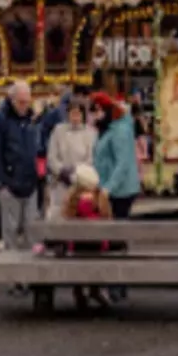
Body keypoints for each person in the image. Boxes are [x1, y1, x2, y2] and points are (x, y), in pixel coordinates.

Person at [0, 81, 40, 263]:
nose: (24, 106)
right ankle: (13, 275)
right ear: (12, 100)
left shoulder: (30, 120)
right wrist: (1, 182)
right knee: (10, 230)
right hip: (9, 183)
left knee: (31, 229)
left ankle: (29, 272)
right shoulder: (0, 120)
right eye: (21, 102)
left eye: (27, 102)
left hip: (29, 181)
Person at [61, 162, 112, 311]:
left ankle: (78, 292)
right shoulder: (101, 197)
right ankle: (95, 290)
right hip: (98, 244)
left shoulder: (72, 198)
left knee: (77, 259)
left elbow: (66, 218)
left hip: (77, 244)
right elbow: (108, 218)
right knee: (95, 258)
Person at [91, 92, 141, 219]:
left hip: (120, 190)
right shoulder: (109, 128)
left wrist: (108, 188)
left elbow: (122, 163)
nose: (94, 115)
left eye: (97, 110)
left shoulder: (119, 131)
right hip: (112, 188)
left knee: (117, 231)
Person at [46, 97, 97, 218]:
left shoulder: (91, 133)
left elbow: (91, 158)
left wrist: (77, 174)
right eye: (72, 113)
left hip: (82, 183)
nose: (75, 116)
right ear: (68, 114)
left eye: (78, 113)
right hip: (60, 182)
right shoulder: (58, 131)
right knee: (58, 215)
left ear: (83, 115)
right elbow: (52, 156)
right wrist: (62, 172)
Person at [34, 87, 72, 216]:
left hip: (45, 156)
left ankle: (42, 210)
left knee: (46, 185)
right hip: (57, 155)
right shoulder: (61, 115)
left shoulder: (49, 116)